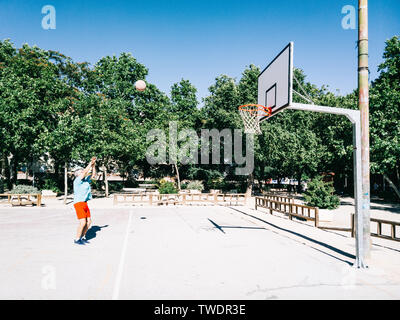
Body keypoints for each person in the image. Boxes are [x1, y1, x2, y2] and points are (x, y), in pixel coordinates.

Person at [73, 157, 97, 245]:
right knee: (82, 222)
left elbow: (94, 175)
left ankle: (82, 237)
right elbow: (85, 172)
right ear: (77, 174)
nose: (83, 171)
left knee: (89, 222)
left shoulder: (86, 180)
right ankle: (76, 239)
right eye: (81, 171)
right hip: (78, 203)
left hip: (84, 203)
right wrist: (90, 163)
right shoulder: (77, 181)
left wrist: (93, 165)